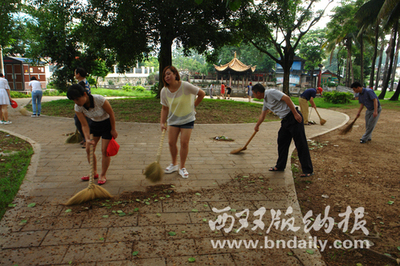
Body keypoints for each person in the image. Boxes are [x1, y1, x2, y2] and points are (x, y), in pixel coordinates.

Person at [252, 83, 313, 177]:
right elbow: (263, 115)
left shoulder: (271, 93)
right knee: (282, 142)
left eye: (254, 93)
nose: (253, 95)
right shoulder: (265, 101)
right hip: (285, 121)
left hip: (294, 118)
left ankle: (308, 170)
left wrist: (296, 113)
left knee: (300, 144)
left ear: (258, 93)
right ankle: (280, 166)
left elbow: (287, 98)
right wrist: (257, 125)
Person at [67, 83, 118, 185]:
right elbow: (84, 125)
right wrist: (87, 139)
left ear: (84, 94)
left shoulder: (99, 100)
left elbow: (111, 114)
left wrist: (113, 129)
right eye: (73, 100)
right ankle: (94, 172)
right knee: (88, 149)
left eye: (77, 99)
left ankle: (103, 175)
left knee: (104, 151)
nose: (76, 102)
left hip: (106, 124)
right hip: (94, 124)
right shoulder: (78, 107)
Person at [160, 66, 205, 179]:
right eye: (165, 75)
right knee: (171, 142)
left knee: (184, 143)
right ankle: (174, 164)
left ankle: (182, 167)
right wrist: (162, 122)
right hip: (173, 119)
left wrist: (193, 105)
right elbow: (164, 108)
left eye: (169, 74)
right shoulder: (164, 91)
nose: (167, 77)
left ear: (175, 74)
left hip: (187, 119)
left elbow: (202, 94)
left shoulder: (185, 86)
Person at [74, 67, 91, 148]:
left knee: (81, 123)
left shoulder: (82, 84)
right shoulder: (83, 82)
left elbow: (86, 97)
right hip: (81, 107)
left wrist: (84, 110)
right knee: (79, 122)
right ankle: (85, 138)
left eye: (75, 73)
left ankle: (86, 140)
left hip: (83, 108)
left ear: (78, 74)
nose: (74, 75)